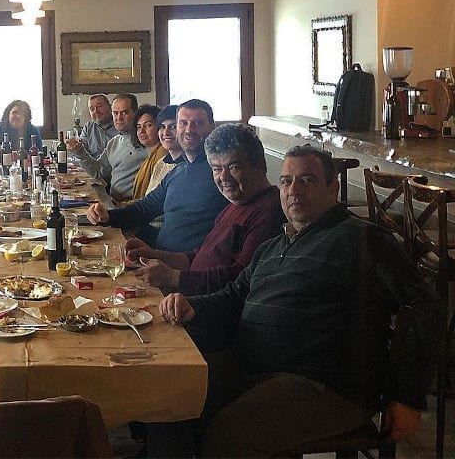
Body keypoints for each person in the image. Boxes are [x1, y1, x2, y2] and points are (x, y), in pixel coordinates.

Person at [159, 144, 441, 457]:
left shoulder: (362, 239)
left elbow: (427, 307)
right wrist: (191, 306)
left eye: (306, 180)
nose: (294, 190)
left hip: (324, 386)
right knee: (170, 393)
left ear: (332, 189)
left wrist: (409, 398)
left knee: (228, 436)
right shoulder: (274, 245)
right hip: (253, 370)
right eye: (286, 181)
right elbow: (234, 296)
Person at [127, 123, 284, 293]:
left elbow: (242, 277)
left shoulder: (270, 210)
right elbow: (198, 257)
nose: (224, 177)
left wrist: (172, 277)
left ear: (259, 166)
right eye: (217, 168)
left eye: (234, 167)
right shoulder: (235, 204)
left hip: (201, 307)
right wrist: (154, 255)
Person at [85, 99, 228, 251]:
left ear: (212, 127)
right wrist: (107, 216)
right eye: (183, 123)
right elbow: (145, 208)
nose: (189, 130)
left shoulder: (220, 173)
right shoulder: (178, 170)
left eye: (198, 123)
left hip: (184, 267)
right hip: (158, 256)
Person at [67, 94, 148, 203]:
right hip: (112, 202)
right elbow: (98, 172)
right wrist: (80, 152)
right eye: (116, 113)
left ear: (135, 114)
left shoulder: (146, 142)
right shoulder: (114, 142)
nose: (119, 118)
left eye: (125, 112)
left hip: (132, 206)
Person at [129, 104, 166, 200]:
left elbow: (153, 199)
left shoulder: (162, 153)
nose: (142, 131)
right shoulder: (152, 153)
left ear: (160, 127)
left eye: (148, 125)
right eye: (138, 127)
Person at [146, 104, 184, 194]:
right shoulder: (161, 164)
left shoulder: (188, 165)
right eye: (162, 127)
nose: (166, 133)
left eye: (173, 127)